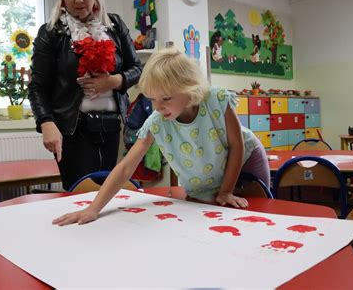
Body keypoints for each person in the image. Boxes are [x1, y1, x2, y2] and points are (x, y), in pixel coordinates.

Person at [53, 48, 270, 226]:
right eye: (152, 99)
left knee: (261, 216)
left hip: (246, 160)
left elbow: (236, 145)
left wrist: (226, 190)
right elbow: (125, 168)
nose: (158, 107)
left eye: (165, 98)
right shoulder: (157, 122)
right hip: (209, 176)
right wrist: (93, 209)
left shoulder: (216, 99)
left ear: (190, 88)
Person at [28, 0, 142, 190]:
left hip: (112, 127)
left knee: (109, 197)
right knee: (79, 196)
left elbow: (137, 69)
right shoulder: (51, 32)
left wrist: (113, 81)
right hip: (73, 131)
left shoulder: (115, 26)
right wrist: (46, 122)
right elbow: (36, 86)